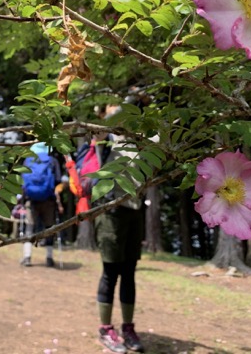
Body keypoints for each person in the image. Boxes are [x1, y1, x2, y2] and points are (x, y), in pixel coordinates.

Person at [83, 106, 145, 354]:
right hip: (110, 211)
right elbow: (95, 131)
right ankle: (105, 328)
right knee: (111, 272)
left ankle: (128, 328)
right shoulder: (106, 137)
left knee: (129, 272)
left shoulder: (141, 139)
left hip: (134, 210)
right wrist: (119, 109)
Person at [20, 142, 63, 268]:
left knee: (29, 228)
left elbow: (22, 182)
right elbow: (58, 181)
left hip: (31, 200)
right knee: (49, 228)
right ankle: (49, 258)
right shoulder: (52, 161)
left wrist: (22, 199)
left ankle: (27, 257)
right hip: (48, 200)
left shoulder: (27, 161)